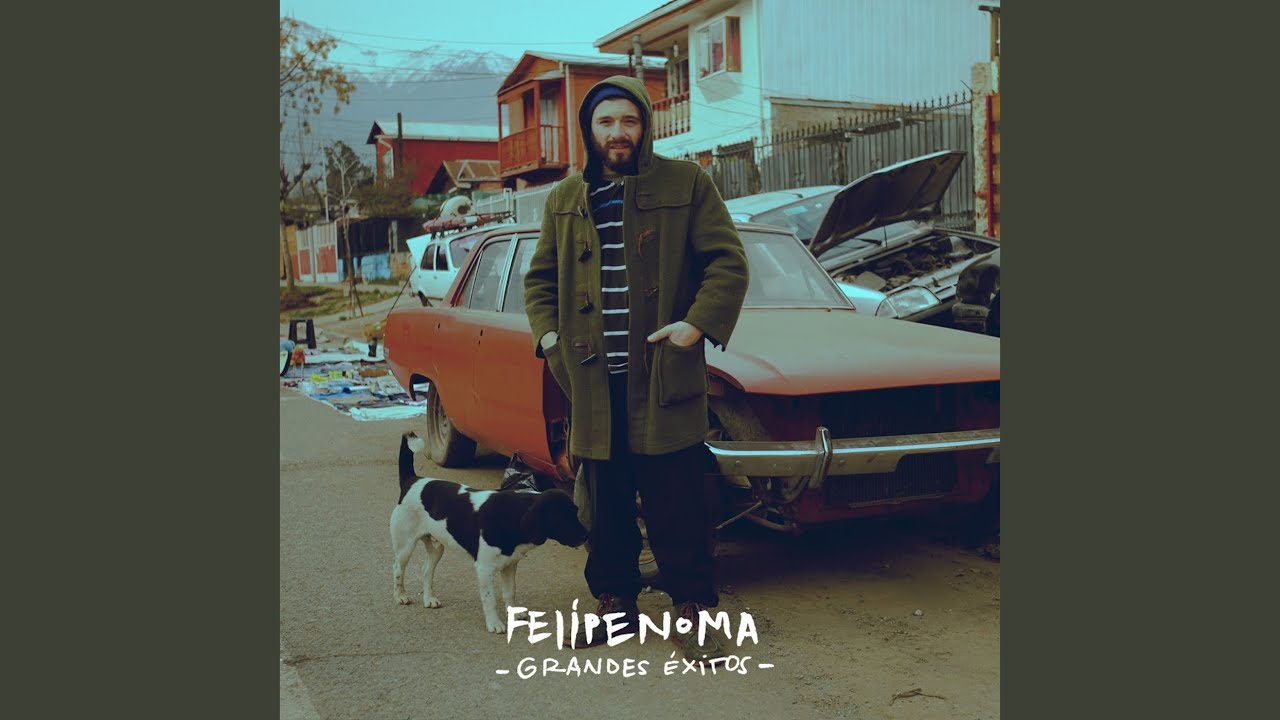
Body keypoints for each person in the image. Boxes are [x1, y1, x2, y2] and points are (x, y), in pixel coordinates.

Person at [523, 76, 749, 662]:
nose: (618, 132)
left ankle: (694, 611)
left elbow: (727, 262)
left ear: (645, 124)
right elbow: (540, 279)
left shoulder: (686, 183)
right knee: (606, 503)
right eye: (606, 122)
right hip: (593, 381)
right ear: (589, 130)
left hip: (663, 376)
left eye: (628, 120)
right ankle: (616, 607)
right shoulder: (565, 196)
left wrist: (694, 325)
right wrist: (549, 337)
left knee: (680, 502)